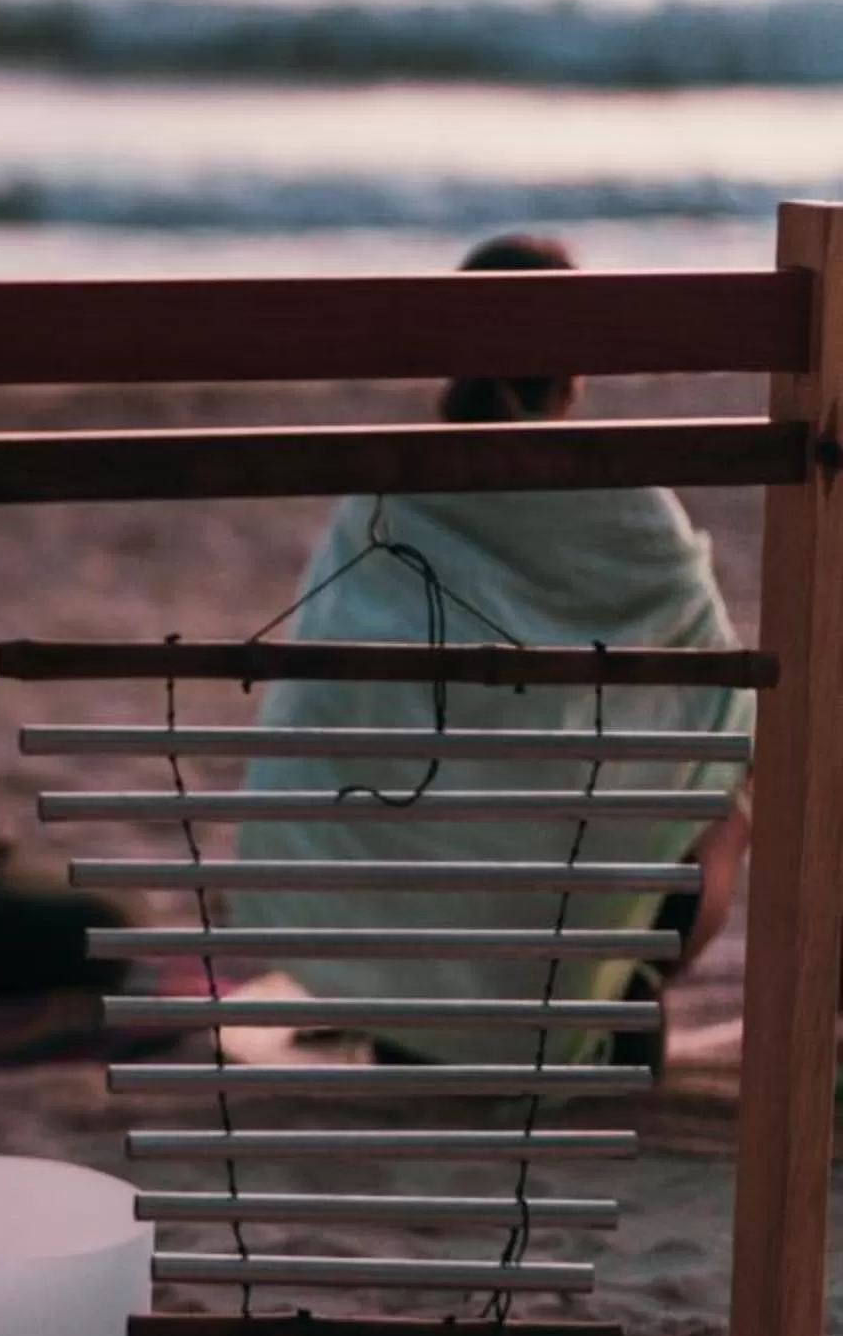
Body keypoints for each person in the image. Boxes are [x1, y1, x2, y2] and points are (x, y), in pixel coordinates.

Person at [227, 234, 751, 1066]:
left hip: (406, 922)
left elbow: (313, 717)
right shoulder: (629, 508)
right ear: (577, 372)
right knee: (725, 794)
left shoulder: (385, 492)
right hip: (564, 910)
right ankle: (594, 982)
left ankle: (400, 994)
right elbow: (721, 704)